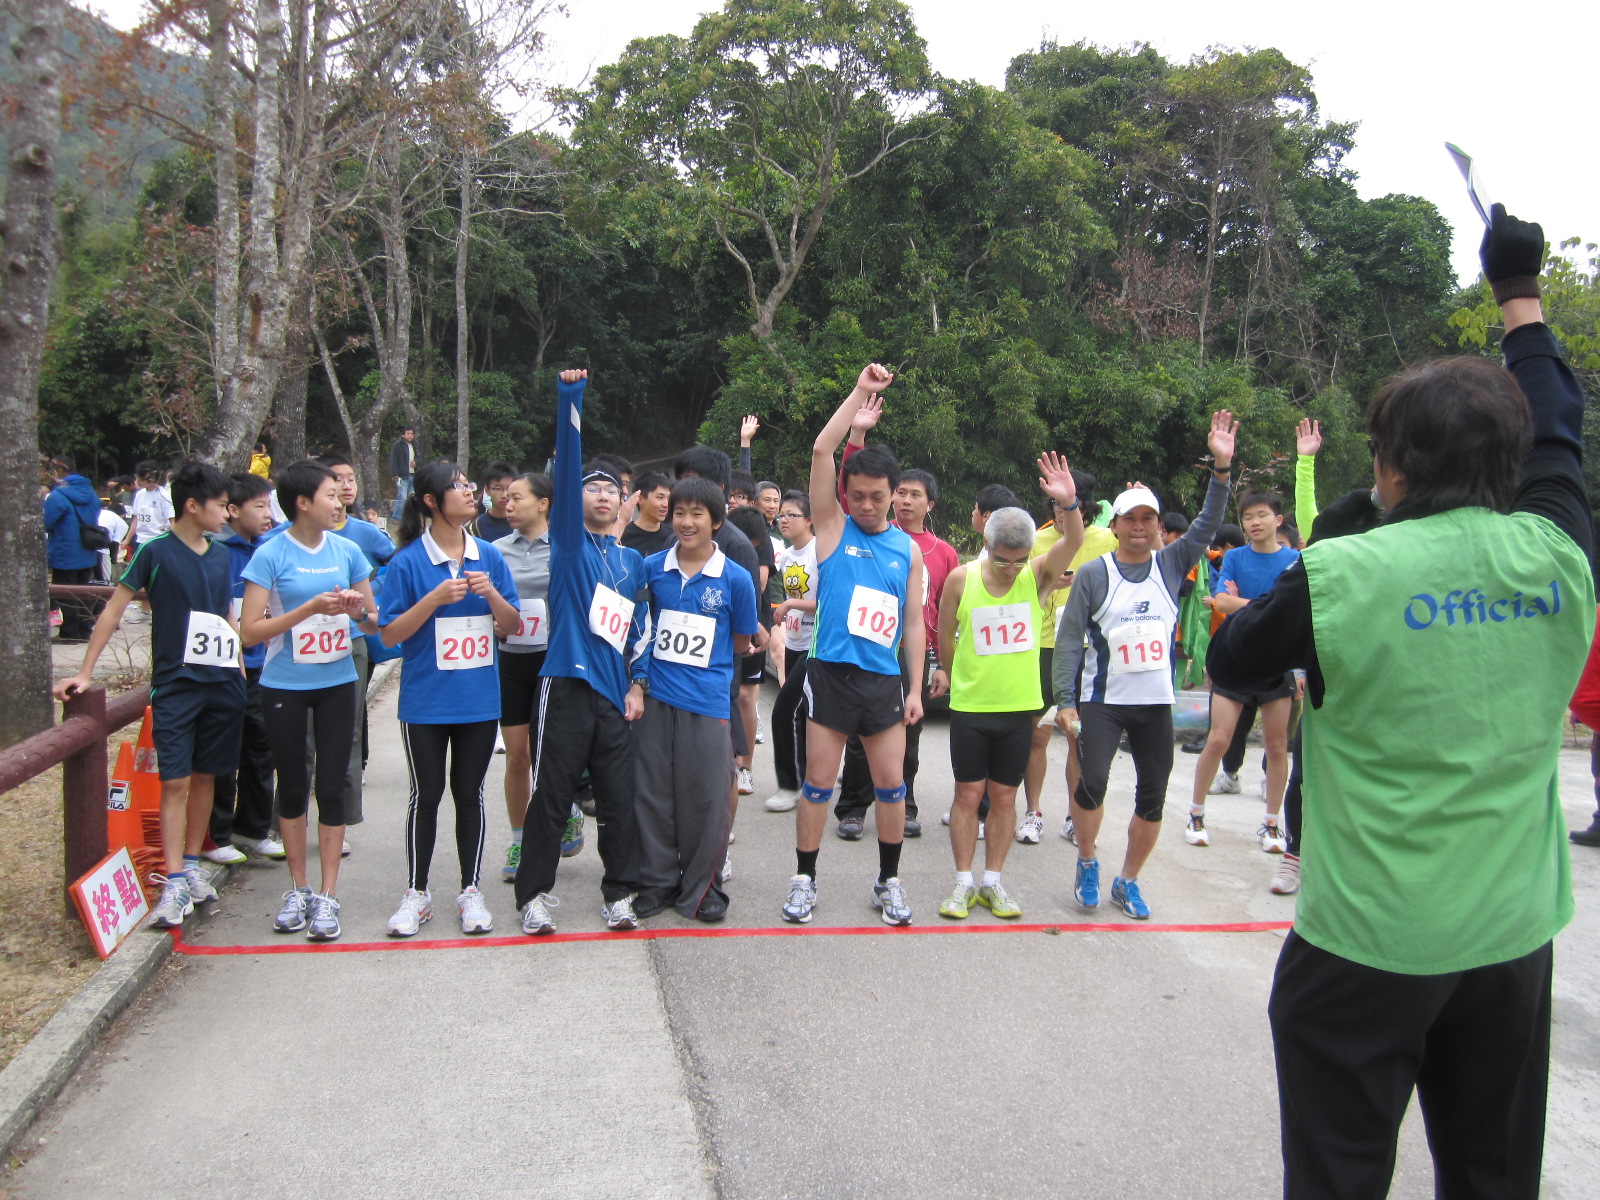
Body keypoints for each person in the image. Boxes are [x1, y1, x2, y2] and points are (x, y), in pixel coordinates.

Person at [1210, 204, 1593, 1200]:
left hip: (1366, 942)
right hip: (1510, 938)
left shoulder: (1342, 573)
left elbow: (1234, 654)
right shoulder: (1560, 554)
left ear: (1388, 469)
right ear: (1510, 461)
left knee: (1337, 1178)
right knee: (1493, 1175)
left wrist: (1347, 521)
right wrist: (1519, 294)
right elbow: (1558, 427)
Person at [1052, 413, 1236, 919]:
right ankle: (1087, 861)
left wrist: (1221, 467)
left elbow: (1208, 521)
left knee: (1152, 796)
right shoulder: (1094, 574)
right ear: (1113, 526)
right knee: (1091, 784)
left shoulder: (1171, 564)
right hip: (1103, 701)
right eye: (1129, 519)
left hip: (1155, 704)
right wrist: (1065, 701)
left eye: (1147, 519)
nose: (1139, 527)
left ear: (1158, 526)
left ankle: (1128, 880)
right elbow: (1069, 642)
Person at [54, 463, 246, 928]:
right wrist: (84, 671)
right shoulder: (154, 551)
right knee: (174, 780)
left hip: (223, 684)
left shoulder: (222, 555)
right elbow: (113, 611)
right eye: (221, 506)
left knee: (207, 776)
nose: (227, 514)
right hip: (177, 685)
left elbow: (226, 614)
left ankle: (193, 867)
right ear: (192, 505)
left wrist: (239, 665)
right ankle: (173, 879)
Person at [783, 363, 925, 926]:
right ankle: (804, 879)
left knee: (892, 787)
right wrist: (860, 392)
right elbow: (823, 450)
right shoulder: (832, 528)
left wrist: (915, 688)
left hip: (883, 683)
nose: (867, 505)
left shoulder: (907, 551)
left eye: (877, 497)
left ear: (895, 496)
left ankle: (888, 882)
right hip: (831, 676)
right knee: (819, 784)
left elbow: (912, 624)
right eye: (858, 496)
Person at [513, 371, 651, 936]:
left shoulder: (632, 562)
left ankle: (619, 894)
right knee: (552, 796)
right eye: (592, 488)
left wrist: (637, 682)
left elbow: (639, 629)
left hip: (613, 696)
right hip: (566, 686)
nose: (602, 495)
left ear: (623, 501)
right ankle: (533, 896)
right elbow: (567, 474)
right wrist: (570, 400)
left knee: (619, 800)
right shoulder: (569, 546)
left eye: (611, 489)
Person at [936, 462, 1084, 921]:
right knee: (967, 796)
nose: (1011, 568)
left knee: (1004, 798)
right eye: (1002, 559)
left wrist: (1069, 503)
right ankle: (963, 883)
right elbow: (944, 635)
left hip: (1019, 709)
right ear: (986, 544)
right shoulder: (961, 579)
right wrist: (951, 674)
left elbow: (1073, 541)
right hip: (971, 708)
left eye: (1019, 560)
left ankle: (992, 882)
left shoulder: (1035, 577)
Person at [379, 461, 521, 936]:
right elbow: (388, 635)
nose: (470, 492)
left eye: (468, 485)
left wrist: (492, 595)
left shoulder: (489, 556)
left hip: (479, 700)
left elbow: (512, 625)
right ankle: (416, 892)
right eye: (458, 487)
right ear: (430, 501)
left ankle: (470, 890)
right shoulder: (407, 562)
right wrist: (433, 600)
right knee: (426, 794)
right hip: (425, 702)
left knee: (470, 794)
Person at [240, 461, 379, 941]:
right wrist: (308, 609)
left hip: (338, 681)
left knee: (333, 785)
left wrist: (358, 613)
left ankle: (328, 894)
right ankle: (298, 889)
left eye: (340, 494)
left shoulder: (347, 550)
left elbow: (373, 621)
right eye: (330, 494)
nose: (339, 501)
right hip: (284, 685)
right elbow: (249, 631)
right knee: (294, 784)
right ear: (302, 502)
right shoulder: (270, 553)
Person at [632, 477, 759, 921]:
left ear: (716, 521)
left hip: (707, 702)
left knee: (706, 799)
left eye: (697, 514)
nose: (686, 522)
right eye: (679, 513)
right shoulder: (651, 569)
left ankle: (704, 888)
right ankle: (658, 883)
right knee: (652, 794)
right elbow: (640, 628)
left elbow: (741, 641)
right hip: (656, 699)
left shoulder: (736, 578)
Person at [834, 406, 959, 839]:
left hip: (912, 653)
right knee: (858, 733)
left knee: (909, 729)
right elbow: (846, 486)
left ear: (930, 504)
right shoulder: (863, 530)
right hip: (865, 646)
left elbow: (944, 613)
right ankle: (853, 806)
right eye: (900, 492)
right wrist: (857, 435)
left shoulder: (943, 553)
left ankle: (905, 804)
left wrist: (941, 665)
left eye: (914, 494)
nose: (905, 500)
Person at [1187, 488, 1300, 855]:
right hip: (1233, 657)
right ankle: (1196, 813)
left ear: (1278, 520)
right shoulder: (1233, 557)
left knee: (1277, 745)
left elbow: (1294, 610)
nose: (1254, 522)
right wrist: (1269, 605)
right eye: (1248, 517)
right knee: (1218, 739)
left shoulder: (1295, 560)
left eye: (1262, 515)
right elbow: (1221, 602)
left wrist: (1245, 603)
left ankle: (1272, 823)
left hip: (1276, 661)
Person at [1021, 469, 1116, 844]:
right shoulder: (1037, 540)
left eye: (1068, 505)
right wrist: (1044, 582)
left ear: (1086, 507)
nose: (1060, 513)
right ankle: (1033, 813)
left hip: (1089, 651)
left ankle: (1077, 815)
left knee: (1081, 739)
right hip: (1044, 647)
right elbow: (1017, 590)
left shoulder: (1107, 540)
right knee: (1038, 735)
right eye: (1056, 506)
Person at [211, 472, 281, 863]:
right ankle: (217, 834)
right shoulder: (217, 552)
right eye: (260, 506)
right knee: (224, 752)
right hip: (223, 667)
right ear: (233, 510)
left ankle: (253, 829)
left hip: (261, 666)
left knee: (261, 747)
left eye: (270, 505)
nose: (268, 514)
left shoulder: (268, 549)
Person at [492, 471, 553, 881]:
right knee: (518, 756)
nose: (507, 504)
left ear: (543, 503)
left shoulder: (565, 549)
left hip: (553, 662)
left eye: (517, 498)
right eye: (505, 498)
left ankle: (565, 812)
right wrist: (492, 622)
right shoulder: (494, 551)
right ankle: (519, 841)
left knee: (553, 754)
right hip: (511, 662)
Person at [764, 490, 819, 812]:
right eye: (781, 515)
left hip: (817, 645)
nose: (783, 520)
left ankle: (790, 785)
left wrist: (789, 605)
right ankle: (810, 775)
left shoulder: (819, 553)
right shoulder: (786, 557)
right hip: (795, 641)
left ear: (809, 519)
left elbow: (829, 601)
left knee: (784, 710)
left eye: (791, 515)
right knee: (804, 713)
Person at [43, 455, 106, 644]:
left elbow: (47, 522)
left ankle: (70, 632)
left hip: (65, 550)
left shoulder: (58, 496)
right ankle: (84, 629)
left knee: (65, 593)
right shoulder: (91, 493)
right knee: (84, 591)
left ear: (60, 470)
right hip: (87, 549)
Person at [121, 461, 174, 623]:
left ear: (149, 478)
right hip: (141, 541)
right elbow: (137, 518)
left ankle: (162, 611)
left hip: (159, 541)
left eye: (140, 478)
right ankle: (145, 611)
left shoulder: (164, 495)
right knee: (143, 578)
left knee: (160, 578)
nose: (137, 481)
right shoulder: (139, 495)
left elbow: (171, 520)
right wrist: (127, 539)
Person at [621, 470, 674, 556]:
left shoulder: (672, 534)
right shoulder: (623, 536)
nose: (666, 504)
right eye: (660, 498)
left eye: (668, 498)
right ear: (640, 499)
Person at [476, 462, 518, 541]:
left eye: (509, 488)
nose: (504, 495)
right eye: (498, 489)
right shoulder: (476, 527)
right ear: (487, 490)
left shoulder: (524, 524)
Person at [389, 426, 417, 521]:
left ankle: (406, 518)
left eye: (412, 434)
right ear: (403, 435)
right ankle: (396, 518)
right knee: (402, 496)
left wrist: (416, 462)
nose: (410, 435)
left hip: (412, 475)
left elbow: (419, 458)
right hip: (401, 476)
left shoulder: (414, 445)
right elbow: (393, 459)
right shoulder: (398, 445)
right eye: (408, 433)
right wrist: (395, 474)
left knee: (410, 498)